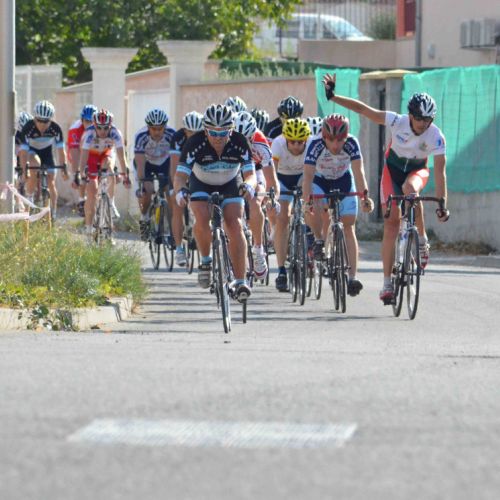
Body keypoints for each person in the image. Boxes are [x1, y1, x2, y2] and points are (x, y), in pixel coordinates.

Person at [322, 73, 450, 302]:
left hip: (416, 172)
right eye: (419, 119)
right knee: (391, 224)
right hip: (392, 172)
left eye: (428, 119)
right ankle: (387, 283)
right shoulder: (397, 121)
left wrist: (442, 204)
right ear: (410, 115)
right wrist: (333, 97)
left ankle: (421, 241)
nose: (423, 124)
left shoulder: (436, 136)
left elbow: (440, 172)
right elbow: (364, 110)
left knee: (411, 190)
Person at [173, 103, 257, 302]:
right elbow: (180, 177)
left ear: (231, 130)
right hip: (201, 182)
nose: (218, 138)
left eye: (223, 133)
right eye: (213, 132)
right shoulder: (194, 143)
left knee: (235, 224)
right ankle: (205, 261)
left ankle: (240, 281)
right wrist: (180, 192)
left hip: (231, 182)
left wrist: (249, 185)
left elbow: (250, 174)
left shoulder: (240, 142)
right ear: (205, 130)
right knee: (201, 218)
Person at [302, 114, 374, 296]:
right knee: (318, 207)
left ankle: (352, 277)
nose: (335, 145)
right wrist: (307, 201)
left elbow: (358, 172)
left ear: (346, 137)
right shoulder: (315, 144)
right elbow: (308, 176)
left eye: (340, 140)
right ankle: (319, 239)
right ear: (324, 136)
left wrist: (365, 197)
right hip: (320, 180)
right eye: (331, 140)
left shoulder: (352, 143)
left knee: (349, 225)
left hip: (343, 180)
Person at [234, 110, 280, 280]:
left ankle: (258, 250)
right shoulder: (226, 141)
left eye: (248, 138)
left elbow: (271, 178)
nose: (244, 142)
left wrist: (273, 197)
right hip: (235, 170)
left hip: (256, 170)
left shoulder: (260, 142)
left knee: (254, 202)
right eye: (240, 138)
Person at [271, 118, 311, 292]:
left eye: (300, 142)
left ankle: (309, 243)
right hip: (282, 180)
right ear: (286, 139)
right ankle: (281, 270)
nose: (296, 145)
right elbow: (272, 172)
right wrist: (273, 194)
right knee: (283, 217)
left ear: (306, 139)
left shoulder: (311, 144)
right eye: (292, 142)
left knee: (311, 207)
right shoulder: (278, 144)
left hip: (303, 177)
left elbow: (315, 172)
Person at [78, 109, 130, 239]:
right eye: (99, 128)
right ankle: (88, 228)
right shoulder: (89, 133)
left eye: (106, 128)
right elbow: (83, 157)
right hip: (91, 156)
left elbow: (121, 156)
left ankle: (111, 203)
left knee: (110, 168)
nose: (103, 131)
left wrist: (125, 175)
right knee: (92, 192)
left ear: (110, 126)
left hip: (106, 154)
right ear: (94, 125)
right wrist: (82, 172)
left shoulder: (115, 133)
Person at [18, 100, 68, 219]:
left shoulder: (56, 129)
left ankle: (53, 213)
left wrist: (64, 168)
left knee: (51, 182)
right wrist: (24, 170)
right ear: (34, 118)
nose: (42, 124)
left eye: (45, 121)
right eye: (39, 120)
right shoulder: (28, 127)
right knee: (35, 165)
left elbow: (61, 151)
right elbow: (23, 153)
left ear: (51, 120)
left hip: (47, 153)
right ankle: (30, 199)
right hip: (32, 151)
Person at [133, 108, 175, 243]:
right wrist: (142, 183)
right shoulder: (141, 136)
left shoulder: (172, 134)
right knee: (148, 190)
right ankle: (145, 217)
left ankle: (172, 229)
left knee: (170, 193)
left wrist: (173, 181)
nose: (157, 132)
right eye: (153, 129)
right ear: (148, 127)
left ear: (165, 127)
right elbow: (140, 163)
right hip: (146, 163)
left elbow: (176, 160)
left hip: (165, 163)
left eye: (160, 129)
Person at [169, 111, 204, 266]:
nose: (193, 136)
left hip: (198, 173)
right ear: (185, 130)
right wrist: (177, 189)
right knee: (177, 205)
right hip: (180, 172)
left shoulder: (206, 138)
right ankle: (178, 249)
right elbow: (175, 166)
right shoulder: (178, 138)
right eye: (190, 132)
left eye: (197, 133)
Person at [68, 104, 98, 216]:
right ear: (81, 120)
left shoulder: (101, 127)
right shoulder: (75, 129)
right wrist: (75, 175)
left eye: (92, 122)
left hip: (95, 152)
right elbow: (75, 153)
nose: (90, 124)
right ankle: (81, 199)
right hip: (78, 152)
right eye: (87, 121)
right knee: (83, 173)